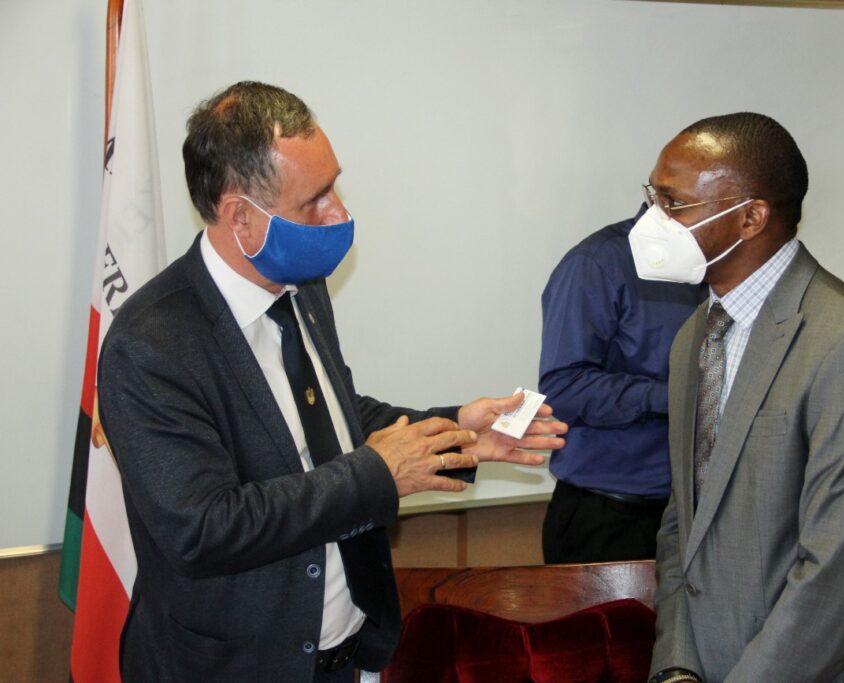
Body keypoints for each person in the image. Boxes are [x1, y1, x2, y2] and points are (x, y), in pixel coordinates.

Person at [96, 81, 567, 683]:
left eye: (334, 185)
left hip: (345, 658)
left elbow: (334, 419)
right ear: (240, 216)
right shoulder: (151, 343)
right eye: (313, 200)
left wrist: (453, 431)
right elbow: (203, 527)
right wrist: (377, 472)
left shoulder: (303, 289)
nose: (340, 212)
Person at [629, 113, 844, 682]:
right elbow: (682, 525)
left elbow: (840, 571)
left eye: (674, 205)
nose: (654, 221)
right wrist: (678, 665)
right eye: (652, 198)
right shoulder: (695, 336)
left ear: (751, 217)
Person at [539, 208, 703, 563]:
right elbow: (563, 389)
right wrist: (679, 396)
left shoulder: (728, 266)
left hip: (701, 515)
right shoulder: (598, 263)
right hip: (613, 518)